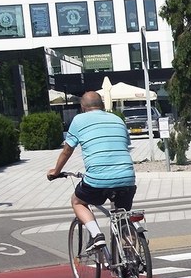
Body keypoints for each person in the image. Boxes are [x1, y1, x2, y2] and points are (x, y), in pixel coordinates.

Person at [46, 91, 136, 251]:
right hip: (127, 177)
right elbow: (125, 145)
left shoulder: (79, 120)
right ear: (102, 105)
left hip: (98, 179)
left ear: (82, 107)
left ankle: (97, 235)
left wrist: (55, 171)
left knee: (77, 201)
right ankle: (133, 258)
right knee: (123, 219)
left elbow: (67, 151)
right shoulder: (117, 119)